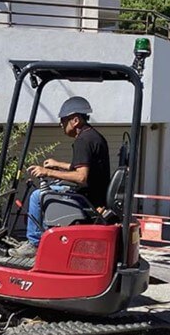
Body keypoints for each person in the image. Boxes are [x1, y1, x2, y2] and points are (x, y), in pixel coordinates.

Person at [9, 96, 110, 258]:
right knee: (52, 187)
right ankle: (44, 238)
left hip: (86, 199)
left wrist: (47, 172)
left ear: (75, 120)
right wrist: (58, 164)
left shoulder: (83, 141)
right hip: (94, 195)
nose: (61, 124)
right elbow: (82, 168)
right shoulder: (93, 136)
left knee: (37, 196)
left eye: (63, 120)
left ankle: (34, 243)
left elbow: (81, 177)